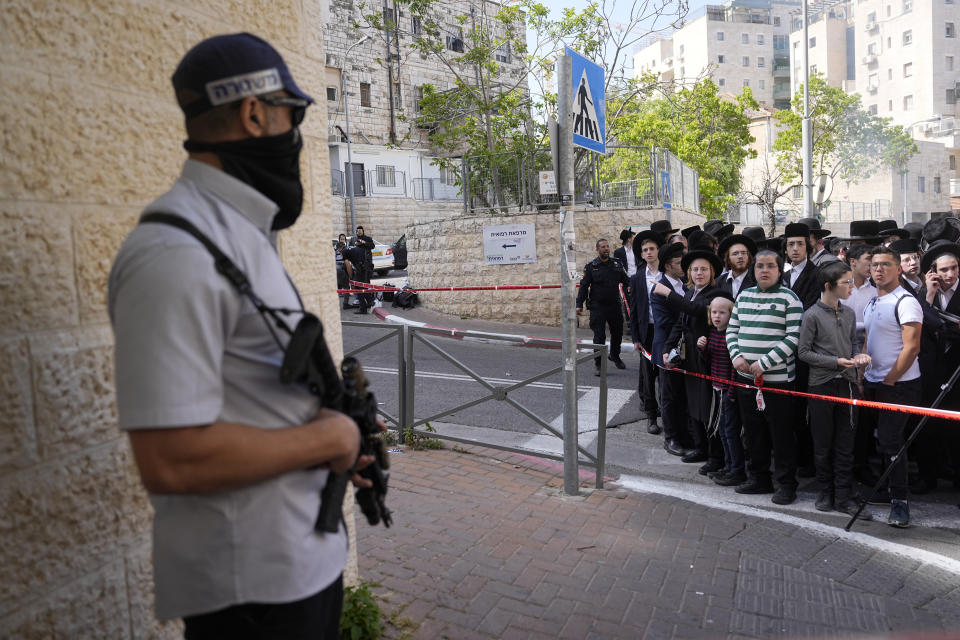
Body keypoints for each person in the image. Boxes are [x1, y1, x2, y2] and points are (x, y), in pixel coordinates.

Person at [108, 33, 367, 637]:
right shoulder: (173, 253)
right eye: (292, 115)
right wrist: (330, 437)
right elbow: (171, 459)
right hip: (254, 590)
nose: (297, 136)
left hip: (299, 565)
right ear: (254, 114)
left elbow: (259, 398)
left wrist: (341, 433)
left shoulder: (237, 234)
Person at [727, 249, 803, 505]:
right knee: (752, 433)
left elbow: (794, 338)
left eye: (770, 266)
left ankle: (786, 484)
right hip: (745, 379)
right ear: (753, 269)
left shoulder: (789, 299)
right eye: (760, 266)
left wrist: (765, 363)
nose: (764, 270)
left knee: (781, 436)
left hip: (777, 382)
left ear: (779, 270)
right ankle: (759, 478)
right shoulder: (743, 296)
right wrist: (736, 357)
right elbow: (732, 330)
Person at [798, 261, 873, 518]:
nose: (851, 287)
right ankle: (824, 492)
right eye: (846, 282)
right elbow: (804, 352)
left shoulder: (850, 313)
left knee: (845, 443)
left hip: (848, 384)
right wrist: (834, 362)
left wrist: (858, 358)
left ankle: (843, 495)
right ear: (829, 286)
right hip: (821, 385)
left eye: (852, 282)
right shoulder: (811, 315)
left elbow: (854, 343)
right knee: (822, 443)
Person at [862, 246, 922, 527]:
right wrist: (865, 376)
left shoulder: (906, 301)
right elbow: (868, 341)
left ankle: (900, 502)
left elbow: (911, 348)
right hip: (874, 383)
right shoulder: (872, 302)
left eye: (886, 264)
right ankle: (887, 492)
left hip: (898, 385)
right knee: (882, 442)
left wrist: (889, 379)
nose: (879, 269)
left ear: (898, 269)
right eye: (875, 264)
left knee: (891, 441)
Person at [655, 248, 725, 469]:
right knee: (693, 404)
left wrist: (668, 294)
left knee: (708, 406)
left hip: (707, 357)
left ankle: (715, 456)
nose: (698, 273)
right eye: (694, 269)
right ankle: (701, 447)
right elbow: (680, 324)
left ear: (711, 272)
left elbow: (696, 310)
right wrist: (667, 348)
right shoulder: (690, 292)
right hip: (690, 357)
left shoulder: (715, 293)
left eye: (703, 269)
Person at [696, 293, 746, 487]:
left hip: (728, 391)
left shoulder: (732, 336)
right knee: (722, 431)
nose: (717, 316)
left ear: (731, 314)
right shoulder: (713, 333)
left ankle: (737, 470)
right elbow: (709, 361)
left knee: (730, 430)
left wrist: (732, 392)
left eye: (722, 312)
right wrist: (703, 349)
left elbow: (735, 367)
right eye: (714, 312)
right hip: (717, 389)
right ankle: (728, 465)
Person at [651, 242, 690, 456]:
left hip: (686, 349)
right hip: (667, 348)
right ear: (667, 266)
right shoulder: (658, 288)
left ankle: (685, 435)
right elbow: (663, 321)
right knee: (669, 396)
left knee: (683, 395)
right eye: (678, 263)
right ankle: (671, 438)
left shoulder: (685, 285)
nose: (683, 266)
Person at [628, 229, 665, 434]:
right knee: (648, 377)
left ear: (658, 251)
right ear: (641, 254)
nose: (649, 252)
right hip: (647, 332)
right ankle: (651, 416)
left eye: (652, 249)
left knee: (665, 375)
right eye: (645, 250)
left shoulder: (667, 274)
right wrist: (636, 337)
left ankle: (668, 414)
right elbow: (633, 311)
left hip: (665, 331)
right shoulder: (637, 278)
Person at [577, 238, 630, 375]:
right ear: (597, 250)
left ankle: (615, 355)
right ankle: (599, 364)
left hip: (614, 305)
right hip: (597, 307)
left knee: (617, 333)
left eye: (607, 246)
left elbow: (626, 281)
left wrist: (631, 288)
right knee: (599, 336)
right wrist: (579, 305)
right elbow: (583, 286)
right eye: (603, 247)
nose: (606, 249)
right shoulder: (591, 267)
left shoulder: (617, 265)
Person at [716, 233, 757, 299]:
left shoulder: (756, 280)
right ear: (728, 258)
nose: (740, 256)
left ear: (749, 257)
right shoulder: (718, 282)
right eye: (735, 254)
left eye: (743, 253)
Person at [352, 225, 376, 314]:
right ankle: (367, 303)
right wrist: (356, 244)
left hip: (366, 266)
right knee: (359, 286)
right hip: (358, 266)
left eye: (360, 230)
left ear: (363, 231)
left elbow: (372, 246)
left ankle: (367, 304)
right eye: (357, 231)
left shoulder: (367, 239)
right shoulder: (354, 239)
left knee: (364, 285)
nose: (359, 232)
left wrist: (363, 242)